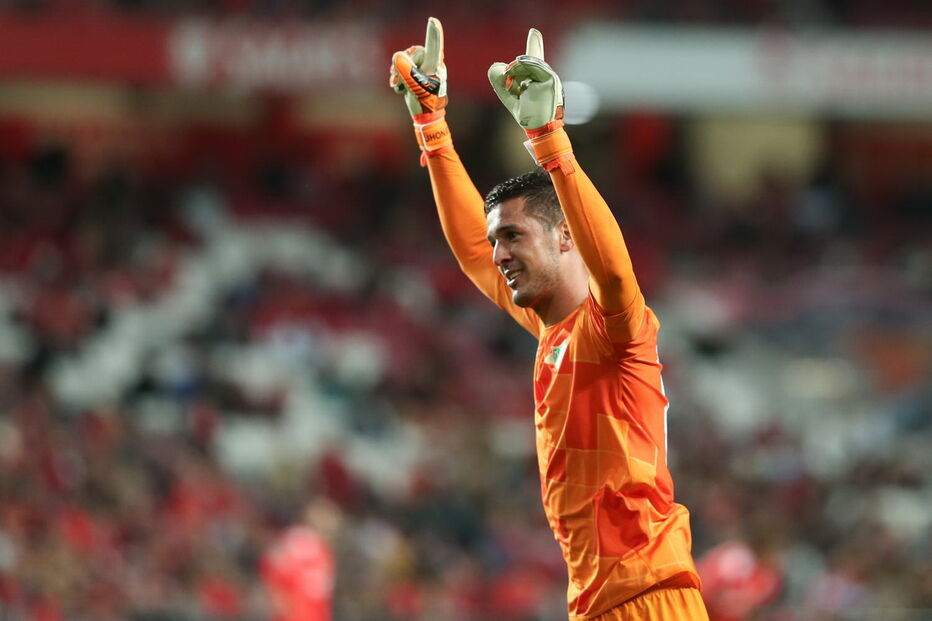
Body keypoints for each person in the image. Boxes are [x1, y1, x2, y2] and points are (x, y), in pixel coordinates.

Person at [390, 18, 710, 621]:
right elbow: (469, 250)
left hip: (649, 599)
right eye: (497, 240)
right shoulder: (555, 332)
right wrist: (431, 129)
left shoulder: (617, 331)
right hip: (599, 602)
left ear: (566, 237)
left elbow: (614, 272)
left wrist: (549, 140)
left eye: (514, 235)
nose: (500, 253)